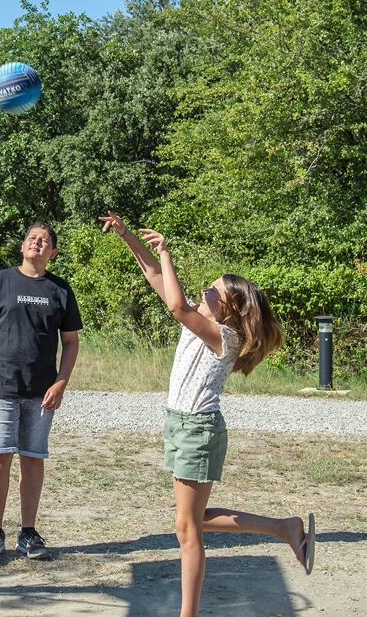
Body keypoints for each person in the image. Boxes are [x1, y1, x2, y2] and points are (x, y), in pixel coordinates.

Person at [99, 211, 314, 617]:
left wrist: (168, 251)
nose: (204, 292)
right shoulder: (200, 322)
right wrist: (129, 236)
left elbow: (177, 304)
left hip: (198, 429)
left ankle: (190, 613)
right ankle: (284, 527)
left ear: (230, 307)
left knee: (187, 530)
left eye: (212, 291)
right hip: (182, 425)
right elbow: (155, 278)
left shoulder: (225, 336)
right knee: (191, 522)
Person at [0, 222, 82, 563]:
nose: (38, 243)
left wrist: (61, 382)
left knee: (33, 459)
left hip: (42, 391)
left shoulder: (60, 289)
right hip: (0, 384)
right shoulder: (0, 281)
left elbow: (71, 342)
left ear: (53, 252)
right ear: (22, 246)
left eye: (45, 240)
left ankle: (28, 533)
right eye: (33, 238)